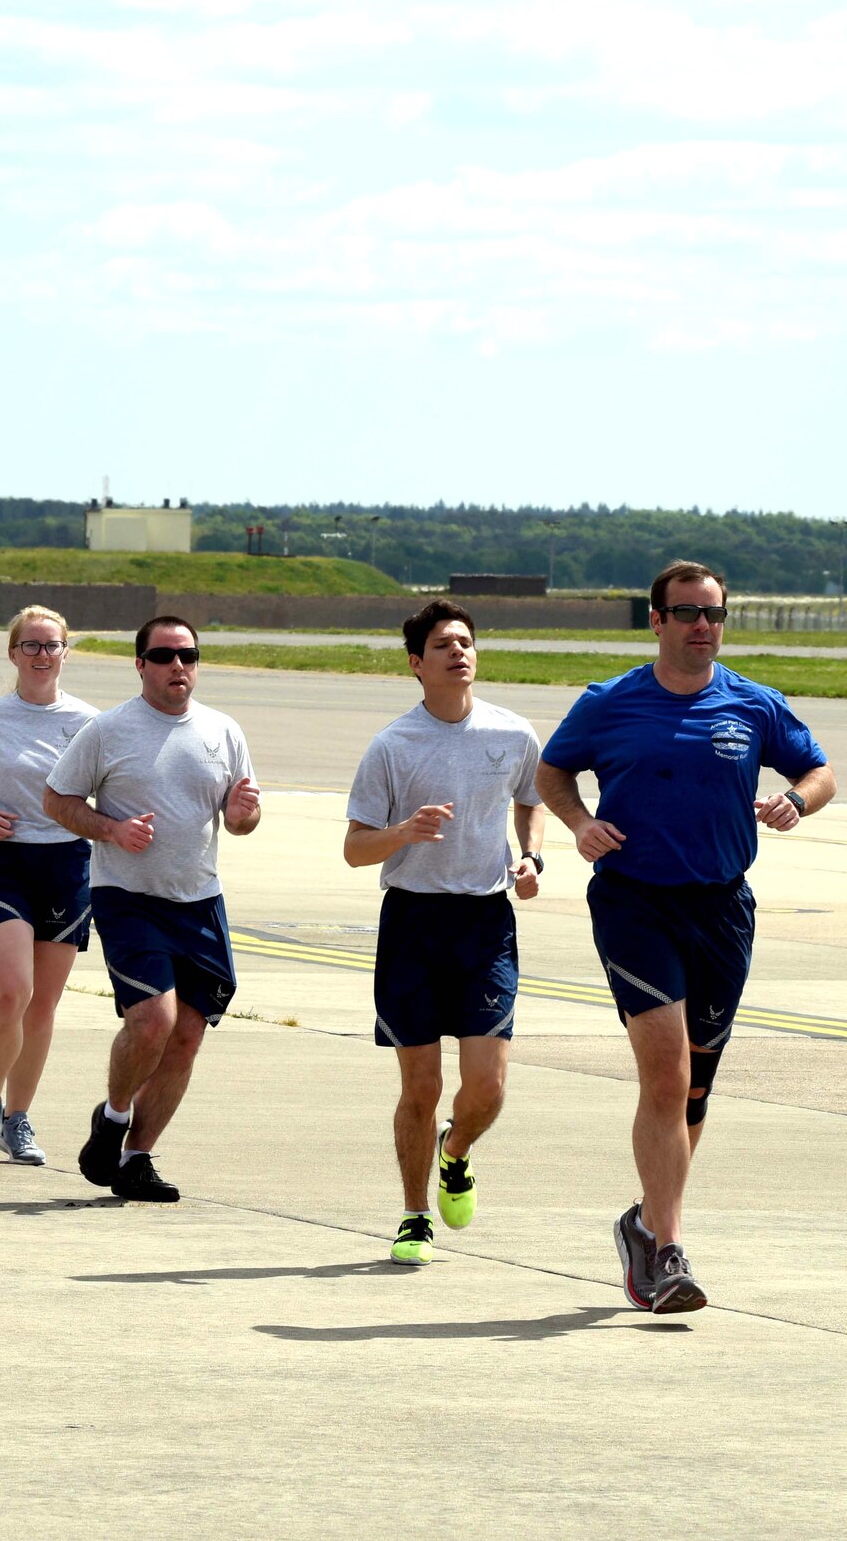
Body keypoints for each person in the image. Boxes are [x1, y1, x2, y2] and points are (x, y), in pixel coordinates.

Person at [535, 560, 832, 1313]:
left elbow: (821, 770)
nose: (704, 625)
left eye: (715, 612)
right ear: (656, 619)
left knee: (695, 1086)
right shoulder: (610, 702)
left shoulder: (753, 704)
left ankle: (641, 1219)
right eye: (688, 611)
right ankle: (668, 1251)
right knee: (665, 1076)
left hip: (723, 909)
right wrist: (578, 823)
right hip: (635, 904)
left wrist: (797, 799)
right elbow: (553, 771)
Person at [343, 600, 545, 1266]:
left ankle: (454, 1152)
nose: (459, 651)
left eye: (466, 641)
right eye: (443, 644)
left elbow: (531, 800)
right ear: (416, 664)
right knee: (421, 1088)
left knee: (487, 1087)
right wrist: (403, 831)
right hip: (413, 921)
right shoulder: (392, 746)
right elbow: (354, 848)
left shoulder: (512, 733)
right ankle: (413, 1214)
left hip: (486, 920)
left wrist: (530, 856)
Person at [43, 616, 261, 1201]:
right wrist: (111, 829)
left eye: (188, 655)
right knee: (153, 1023)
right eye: (163, 656)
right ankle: (113, 1118)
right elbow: (58, 800)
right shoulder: (109, 730)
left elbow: (241, 822)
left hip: (200, 900)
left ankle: (137, 1158)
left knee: (187, 1036)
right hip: (128, 898)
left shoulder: (223, 731)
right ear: (140, 664)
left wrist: (242, 814)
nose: (177, 667)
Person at [0, 605, 98, 1166]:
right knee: (11, 990)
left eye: (52, 645)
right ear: (12, 653)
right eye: (30, 645)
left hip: (67, 866)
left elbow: (113, 795)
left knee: (43, 1005)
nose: (41, 655)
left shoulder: (89, 723)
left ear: (65, 653)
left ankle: (17, 1119)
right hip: (0, 864)